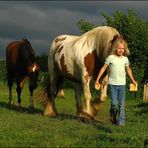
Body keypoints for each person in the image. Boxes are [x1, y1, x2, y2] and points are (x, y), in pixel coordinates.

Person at [95, 38, 137, 126]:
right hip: (112, 85)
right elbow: (103, 68)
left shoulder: (125, 59)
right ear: (115, 48)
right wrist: (97, 79)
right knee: (114, 103)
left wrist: (133, 80)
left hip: (122, 84)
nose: (121, 50)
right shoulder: (111, 58)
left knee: (121, 104)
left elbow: (128, 70)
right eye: (119, 48)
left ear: (124, 49)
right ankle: (112, 115)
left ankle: (121, 123)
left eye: (122, 48)